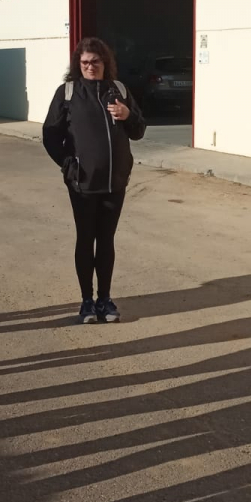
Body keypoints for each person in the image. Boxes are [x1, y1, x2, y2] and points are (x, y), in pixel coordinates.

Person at [42, 38, 146, 323]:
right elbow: (50, 135)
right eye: (85, 62)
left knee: (107, 240)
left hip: (115, 181)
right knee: (86, 239)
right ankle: (87, 301)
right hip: (83, 183)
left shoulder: (119, 90)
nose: (90, 67)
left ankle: (105, 299)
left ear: (105, 63)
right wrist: (68, 164)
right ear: (78, 64)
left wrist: (128, 115)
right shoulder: (67, 93)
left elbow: (139, 131)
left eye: (95, 62)